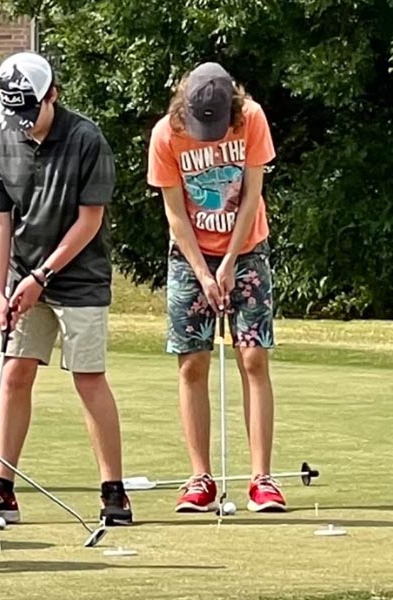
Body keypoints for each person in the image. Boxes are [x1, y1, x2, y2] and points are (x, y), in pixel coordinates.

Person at [0, 52, 133, 527]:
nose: (24, 125)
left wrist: (41, 278)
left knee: (88, 378)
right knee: (15, 375)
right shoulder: (0, 138)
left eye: (30, 113)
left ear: (52, 94)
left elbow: (90, 220)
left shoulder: (86, 139)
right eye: (16, 116)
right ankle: (1, 492)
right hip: (22, 275)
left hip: (79, 276)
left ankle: (114, 492)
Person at [147, 62, 286, 513]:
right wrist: (204, 273)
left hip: (247, 249)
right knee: (192, 363)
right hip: (189, 256)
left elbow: (251, 197)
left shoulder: (253, 119)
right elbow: (174, 214)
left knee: (254, 355)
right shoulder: (166, 135)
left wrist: (227, 263)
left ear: (232, 106)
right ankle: (199, 477)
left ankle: (261, 478)